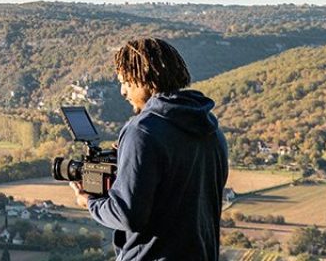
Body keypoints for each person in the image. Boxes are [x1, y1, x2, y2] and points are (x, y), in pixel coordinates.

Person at [72, 37, 230, 261]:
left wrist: (89, 202)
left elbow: (126, 214)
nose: (123, 92)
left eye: (126, 82)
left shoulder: (143, 130)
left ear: (145, 79)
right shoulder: (211, 130)